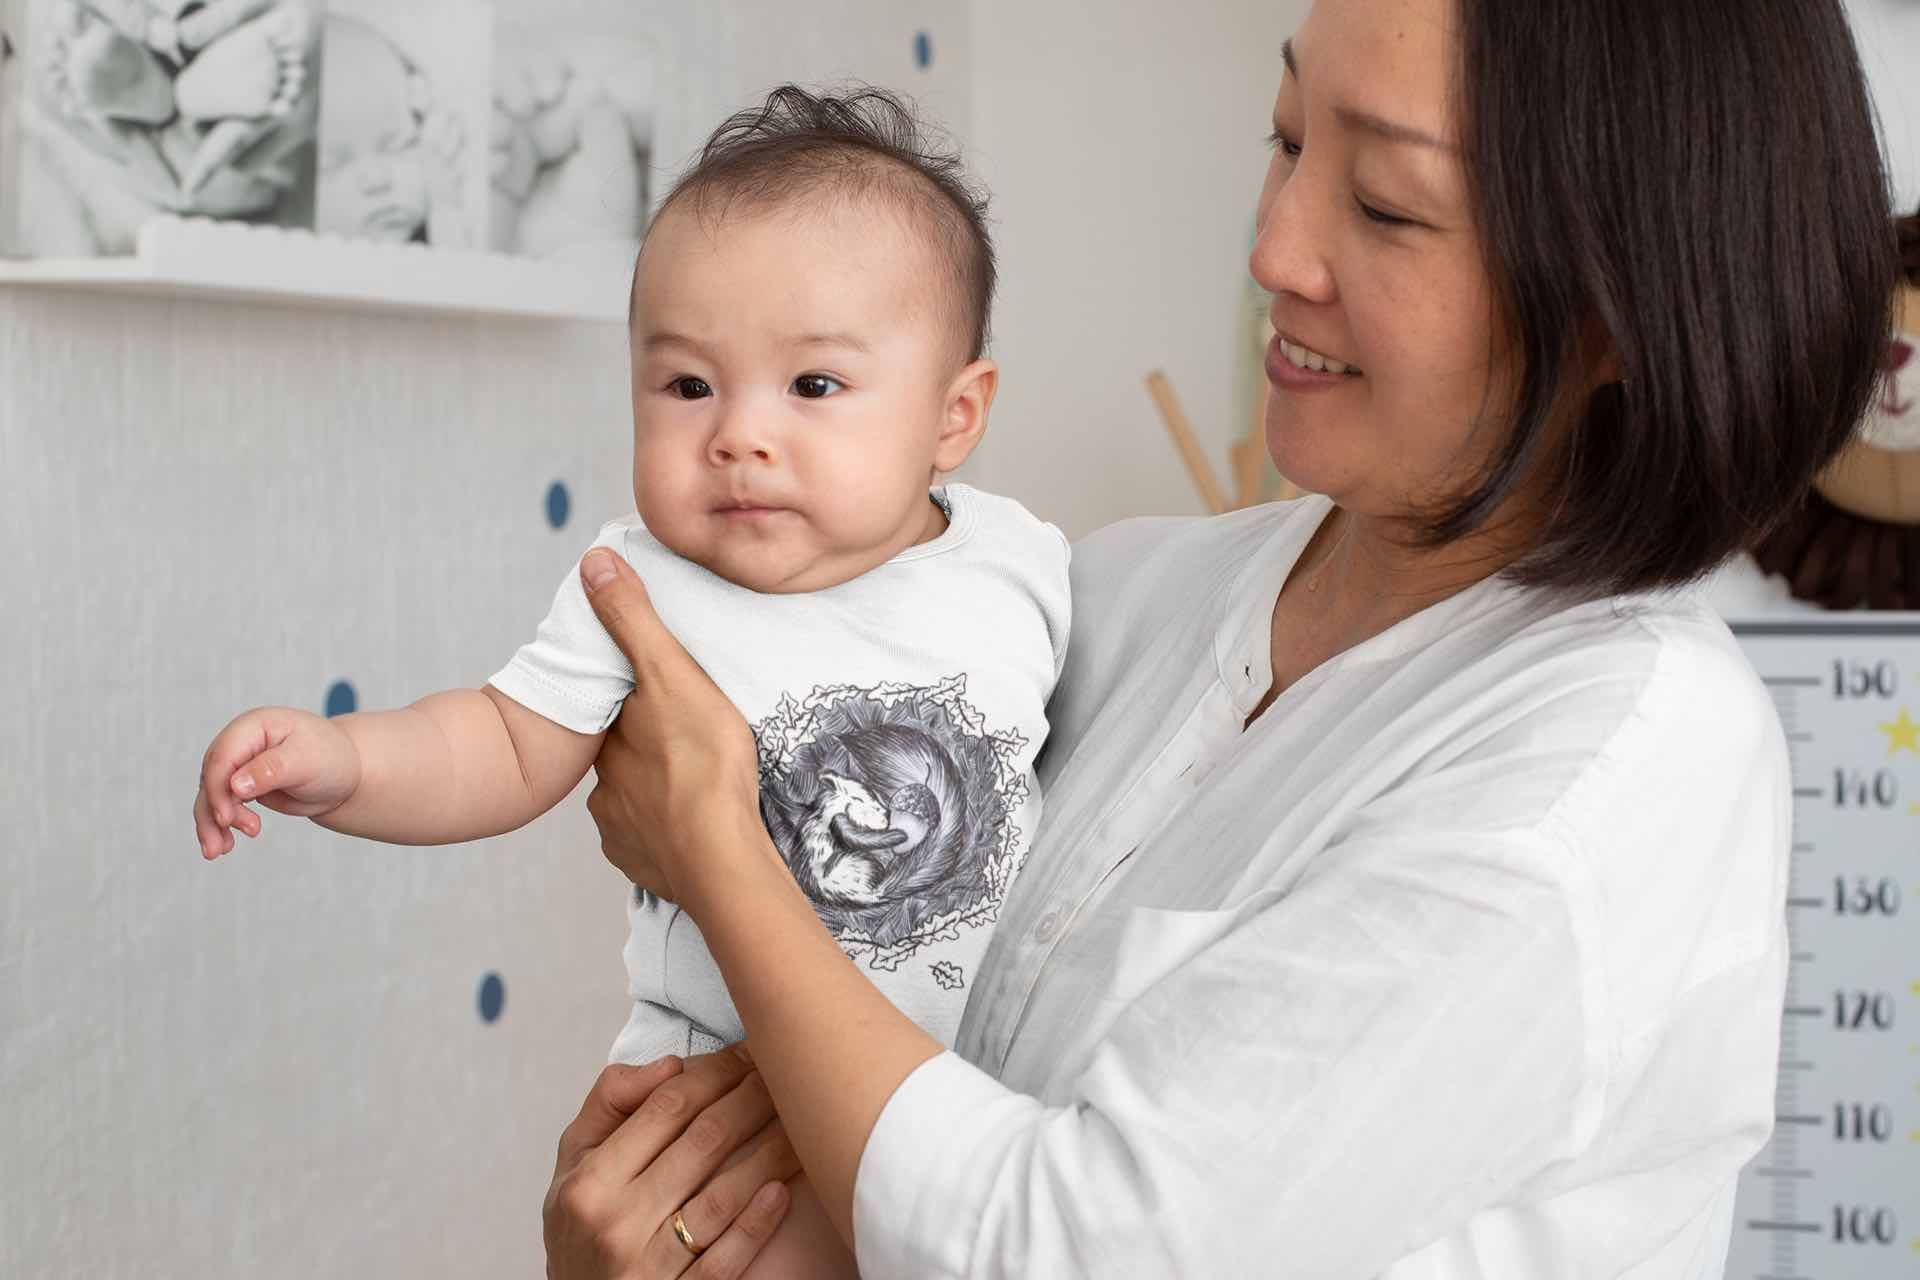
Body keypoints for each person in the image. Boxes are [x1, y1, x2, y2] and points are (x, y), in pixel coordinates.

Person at [537, 0, 1898, 1275]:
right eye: (1288, 138)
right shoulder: (1118, 594)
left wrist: (715, 848)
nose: (1274, 251)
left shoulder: (1608, 770)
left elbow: (1059, 1246)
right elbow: (900, 1096)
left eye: (1384, 203)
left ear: (1622, 304)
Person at [191, 87, 1069, 1276]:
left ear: (953, 414)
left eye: (813, 386)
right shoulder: (644, 583)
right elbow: (501, 742)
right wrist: (343, 759)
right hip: (715, 1098)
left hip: (966, 1088)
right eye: (689, 385)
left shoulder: (1022, 560)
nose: (739, 435)